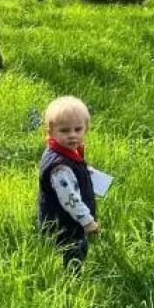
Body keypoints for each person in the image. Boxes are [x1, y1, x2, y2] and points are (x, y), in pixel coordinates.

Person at [37, 95, 100, 268]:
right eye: (64, 131)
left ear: (86, 129)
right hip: (65, 224)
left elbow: (74, 168)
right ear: (50, 132)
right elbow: (70, 199)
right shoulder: (60, 168)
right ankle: (72, 285)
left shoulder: (65, 152)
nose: (72, 135)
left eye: (78, 129)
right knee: (72, 255)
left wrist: (85, 171)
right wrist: (87, 222)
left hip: (68, 221)